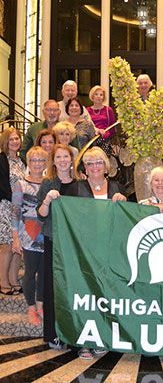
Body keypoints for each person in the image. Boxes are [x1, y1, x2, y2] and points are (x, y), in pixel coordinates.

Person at [65, 146, 126, 359]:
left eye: (98, 162)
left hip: (108, 252)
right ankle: (84, 342)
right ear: (85, 168)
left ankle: (101, 337)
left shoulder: (117, 187)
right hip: (83, 251)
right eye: (89, 163)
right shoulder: (75, 188)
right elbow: (67, 214)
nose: (94, 167)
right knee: (85, 296)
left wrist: (124, 202)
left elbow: (126, 218)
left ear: (106, 166)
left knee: (105, 296)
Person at [37, 144, 75, 349]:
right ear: (53, 161)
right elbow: (40, 214)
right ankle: (53, 333)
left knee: (72, 288)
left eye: (65, 156)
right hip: (54, 241)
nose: (62, 160)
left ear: (71, 160)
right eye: (58, 157)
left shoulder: (80, 184)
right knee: (52, 288)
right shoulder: (48, 183)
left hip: (75, 245)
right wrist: (47, 200)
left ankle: (73, 330)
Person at [12, 146, 48, 325]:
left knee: (44, 272)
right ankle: (31, 307)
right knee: (30, 272)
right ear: (29, 162)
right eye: (34, 160)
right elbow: (15, 212)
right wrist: (16, 236)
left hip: (46, 233)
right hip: (27, 233)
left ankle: (41, 305)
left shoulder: (49, 183)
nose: (37, 164)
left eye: (41, 160)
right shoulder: (21, 184)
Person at [0, 127, 26, 295]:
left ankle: (14, 279)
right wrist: (13, 201)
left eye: (17, 138)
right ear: (5, 142)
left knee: (19, 245)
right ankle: (3, 281)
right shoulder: (1, 159)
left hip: (21, 208)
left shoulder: (21, 160)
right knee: (7, 245)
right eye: (11, 139)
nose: (15, 142)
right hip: (5, 205)